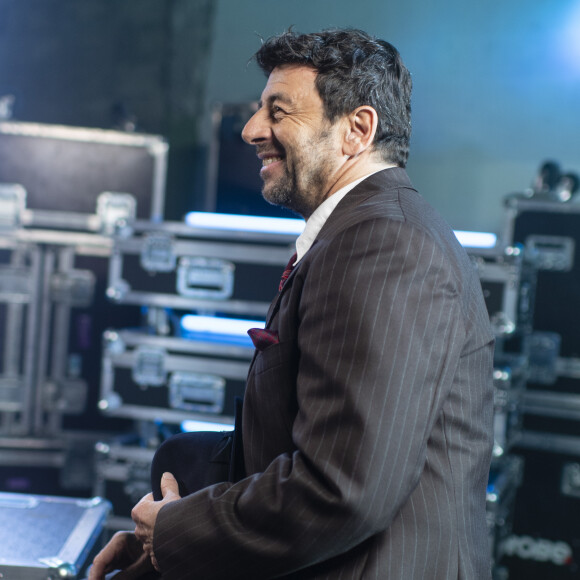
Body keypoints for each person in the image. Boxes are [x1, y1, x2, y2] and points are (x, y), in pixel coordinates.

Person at [90, 28, 495, 579]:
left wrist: (179, 530)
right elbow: (299, 441)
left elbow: (342, 488)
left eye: (278, 112)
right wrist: (166, 538)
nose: (252, 129)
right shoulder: (358, 234)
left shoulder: (383, 246)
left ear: (357, 129)